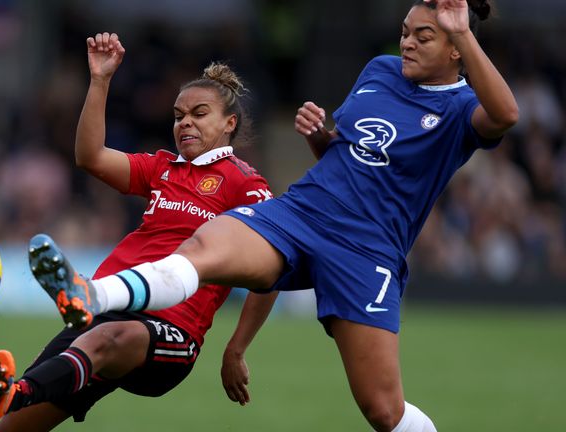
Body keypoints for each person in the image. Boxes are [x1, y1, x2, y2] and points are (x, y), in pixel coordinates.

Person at [38, 1, 519, 431]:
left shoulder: (461, 109)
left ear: (456, 48)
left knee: (383, 411)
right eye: (405, 31)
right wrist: (321, 142)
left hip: (366, 249)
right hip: (305, 210)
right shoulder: (380, 70)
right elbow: (357, 158)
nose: (407, 43)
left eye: (424, 36)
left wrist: (464, 32)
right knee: (205, 246)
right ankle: (92, 294)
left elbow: (505, 116)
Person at [0, 32, 278, 431]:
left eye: (199, 114)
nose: (185, 122)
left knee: (103, 340)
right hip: (103, 316)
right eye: (178, 115)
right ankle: (16, 397)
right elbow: (90, 156)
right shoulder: (162, 167)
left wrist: (236, 349)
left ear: (229, 123)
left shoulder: (245, 184)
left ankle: (15, 392)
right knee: (12, 428)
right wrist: (100, 80)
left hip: (171, 332)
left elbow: (271, 269)